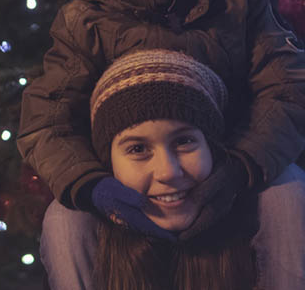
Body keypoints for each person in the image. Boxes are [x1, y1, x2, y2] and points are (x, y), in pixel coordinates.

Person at [17, 0, 305, 289]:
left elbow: (293, 90)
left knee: (290, 190)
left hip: (229, 170)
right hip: (130, 181)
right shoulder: (85, 23)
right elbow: (44, 119)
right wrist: (92, 186)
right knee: (63, 217)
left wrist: (239, 168)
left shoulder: (241, 2)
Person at [79, 49, 257, 289]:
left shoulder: (260, 238)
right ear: (109, 163)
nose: (168, 172)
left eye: (184, 142)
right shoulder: (87, 252)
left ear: (212, 147)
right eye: (138, 149)